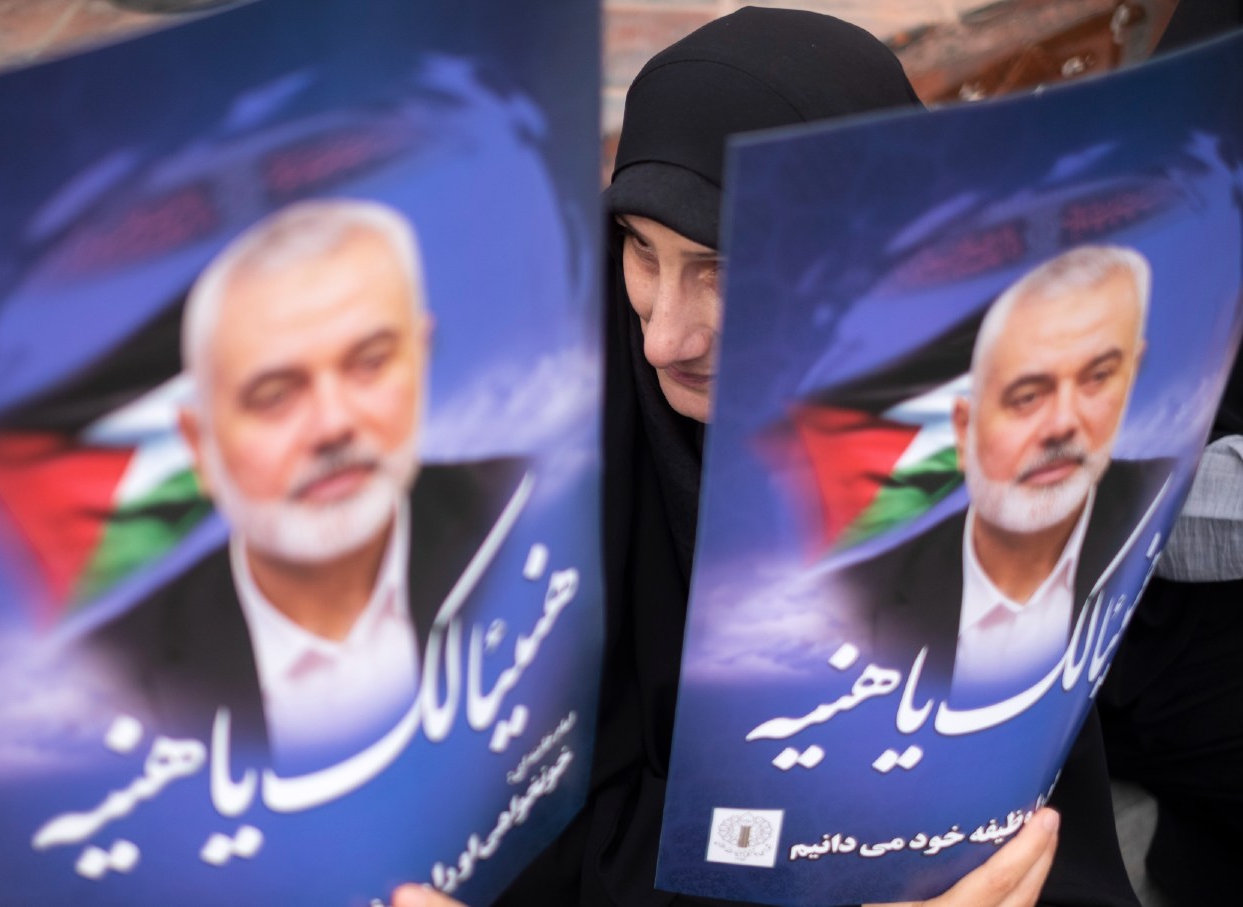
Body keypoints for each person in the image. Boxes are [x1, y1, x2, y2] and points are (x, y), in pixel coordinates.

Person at [393, 8, 1138, 907]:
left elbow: (1025, 829)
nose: (665, 334)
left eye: (720, 266)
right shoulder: (548, 443)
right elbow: (509, 842)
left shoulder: (974, 437)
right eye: (640, 249)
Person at [82, 199, 527, 760]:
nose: (333, 424)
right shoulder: (106, 682)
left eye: (369, 362)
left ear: (421, 357)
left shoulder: (533, 512)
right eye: (275, 395)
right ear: (200, 445)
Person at [838, 246, 1171, 708]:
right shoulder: (853, 601)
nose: (1062, 424)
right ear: (963, 428)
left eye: (1097, 377)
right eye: (1027, 396)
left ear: (1132, 372)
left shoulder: (1162, 500)